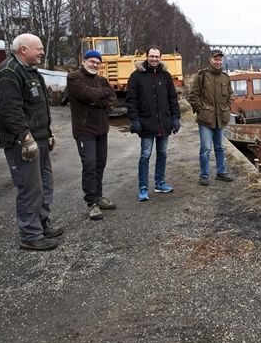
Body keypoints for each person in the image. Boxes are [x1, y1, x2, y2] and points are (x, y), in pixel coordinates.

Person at [0, 33, 62, 250]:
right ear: (23, 50)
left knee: (44, 185)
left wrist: (47, 133)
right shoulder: (9, 72)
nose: (42, 51)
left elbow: (38, 107)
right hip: (22, 143)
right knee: (30, 188)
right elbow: (10, 111)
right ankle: (30, 235)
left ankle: (41, 223)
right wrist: (25, 138)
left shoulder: (29, 71)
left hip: (39, 138)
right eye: (38, 48)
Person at [66, 50, 118, 220]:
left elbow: (113, 99)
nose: (95, 64)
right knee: (89, 164)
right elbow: (87, 94)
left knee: (100, 164)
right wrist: (101, 94)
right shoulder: (74, 78)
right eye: (92, 61)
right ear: (84, 61)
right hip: (84, 131)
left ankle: (99, 196)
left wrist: (97, 98)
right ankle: (92, 204)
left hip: (102, 129)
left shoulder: (101, 79)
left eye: (98, 62)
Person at [126, 46, 180, 201]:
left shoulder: (166, 76)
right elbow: (131, 100)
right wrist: (135, 120)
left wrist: (175, 118)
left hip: (164, 123)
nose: (154, 59)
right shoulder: (137, 76)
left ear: (160, 57)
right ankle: (143, 188)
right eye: (151, 56)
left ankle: (160, 183)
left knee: (162, 153)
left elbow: (172, 99)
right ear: (146, 56)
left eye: (157, 56)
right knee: (145, 155)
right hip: (146, 123)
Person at [187, 49, 234, 186]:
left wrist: (227, 107)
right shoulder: (201, 76)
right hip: (205, 119)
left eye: (220, 59)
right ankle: (204, 175)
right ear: (210, 60)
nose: (218, 62)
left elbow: (230, 95)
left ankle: (221, 172)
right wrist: (200, 110)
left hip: (221, 118)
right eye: (216, 59)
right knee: (206, 148)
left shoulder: (226, 77)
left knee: (220, 147)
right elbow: (193, 96)